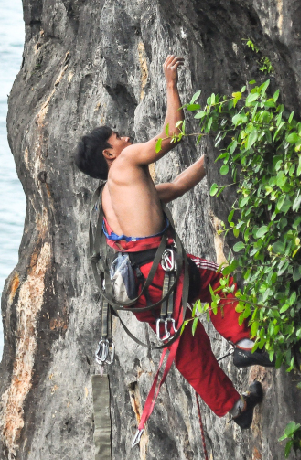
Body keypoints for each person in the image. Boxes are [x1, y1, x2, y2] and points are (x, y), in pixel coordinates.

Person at [74, 55, 272, 430]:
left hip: (139, 292)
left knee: (185, 346)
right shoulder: (127, 163)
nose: (127, 137)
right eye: (119, 136)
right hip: (161, 272)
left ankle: (236, 409)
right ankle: (246, 343)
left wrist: (210, 155)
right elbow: (170, 136)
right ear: (109, 153)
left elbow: (179, 185)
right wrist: (169, 84)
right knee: (217, 280)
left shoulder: (111, 196)